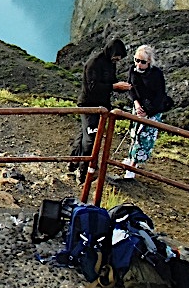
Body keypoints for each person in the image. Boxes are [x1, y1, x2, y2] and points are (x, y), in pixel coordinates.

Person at [72, 37, 131, 181]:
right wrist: (114, 87)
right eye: (117, 57)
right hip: (89, 106)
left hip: (102, 106)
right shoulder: (94, 63)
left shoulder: (110, 63)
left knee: (83, 135)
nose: (118, 60)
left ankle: (73, 162)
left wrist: (122, 87)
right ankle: (84, 171)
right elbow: (92, 87)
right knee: (91, 138)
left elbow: (110, 82)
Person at [122, 44, 170, 178]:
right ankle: (131, 158)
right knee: (134, 134)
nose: (138, 64)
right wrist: (136, 104)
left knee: (144, 138)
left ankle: (133, 166)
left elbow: (160, 95)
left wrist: (147, 112)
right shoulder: (133, 70)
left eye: (142, 62)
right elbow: (130, 88)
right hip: (138, 107)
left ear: (149, 62)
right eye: (136, 60)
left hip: (152, 110)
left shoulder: (157, 74)